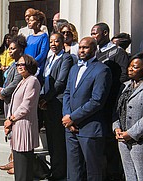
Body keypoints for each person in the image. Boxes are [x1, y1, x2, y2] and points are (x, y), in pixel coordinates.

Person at [62, 37, 112, 181]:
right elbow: (67, 93)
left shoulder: (102, 70)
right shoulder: (74, 68)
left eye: (86, 48)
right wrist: (67, 116)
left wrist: (73, 118)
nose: (82, 50)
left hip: (90, 129)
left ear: (94, 49)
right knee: (73, 171)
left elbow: (97, 101)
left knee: (93, 171)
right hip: (70, 129)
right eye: (80, 47)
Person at [91, 22, 129, 179]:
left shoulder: (117, 53)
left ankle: (114, 173)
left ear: (105, 33)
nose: (93, 36)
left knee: (111, 141)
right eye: (92, 33)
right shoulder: (94, 53)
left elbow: (122, 77)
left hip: (110, 102)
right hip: (97, 103)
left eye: (96, 33)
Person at [39, 33, 73, 180]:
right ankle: (54, 169)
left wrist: (45, 99)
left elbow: (60, 82)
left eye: (56, 41)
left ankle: (59, 173)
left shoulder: (66, 58)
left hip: (56, 103)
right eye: (51, 41)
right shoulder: (49, 57)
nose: (53, 44)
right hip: (47, 102)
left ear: (62, 42)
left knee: (58, 141)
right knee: (51, 140)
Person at [4, 54, 40, 181]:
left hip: (24, 125)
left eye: (22, 64)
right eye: (17, 64)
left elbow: (26, 106)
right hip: (16, 125)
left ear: (29, 65)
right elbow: (14, 103)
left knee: (23, 167)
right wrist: (8, 120)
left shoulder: (32, 81)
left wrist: (11, 119)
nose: (19, 66)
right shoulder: (23, 80)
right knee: (19, 165)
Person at [0, 34, 27, 175]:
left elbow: (16, 83)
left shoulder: (22, 63)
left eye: (13, 49)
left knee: (15, 132)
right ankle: (12, 159)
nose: (10, 51)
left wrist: (3, 93)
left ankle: (17, 162)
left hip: (15, 102)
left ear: (20, 49)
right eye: (9, 49)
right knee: (10, 132)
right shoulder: (12, 64)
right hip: (8, 101)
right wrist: (1, 89)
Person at [113, 53, 143, 181]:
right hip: (123, 138)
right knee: (129, 174)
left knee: (140, 173)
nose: (130, 69)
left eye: (135, 67)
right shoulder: (125, 85)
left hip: (138, 139)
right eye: (130, 66)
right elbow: (116, 110)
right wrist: (117, 128)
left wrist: (131, 133)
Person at [24, 9, 49, 85]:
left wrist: (32, 64)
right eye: (29, 20)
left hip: (36, 67)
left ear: (38, 22)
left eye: (31, 20)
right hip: (26, 67)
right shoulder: (29, 37)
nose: (29, 22)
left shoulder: (44, 36)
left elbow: (43, 54)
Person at [0, 34, 14, 115]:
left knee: (7, 87)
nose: (7, 40)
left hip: (10, 69)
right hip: (1, 70)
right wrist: (0, 65)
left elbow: (15, 59)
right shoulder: (1, 49)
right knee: (1, 87)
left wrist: (9, 66)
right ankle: (1, 107)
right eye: (6, 38)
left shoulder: (13, 48)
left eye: (9, 38)